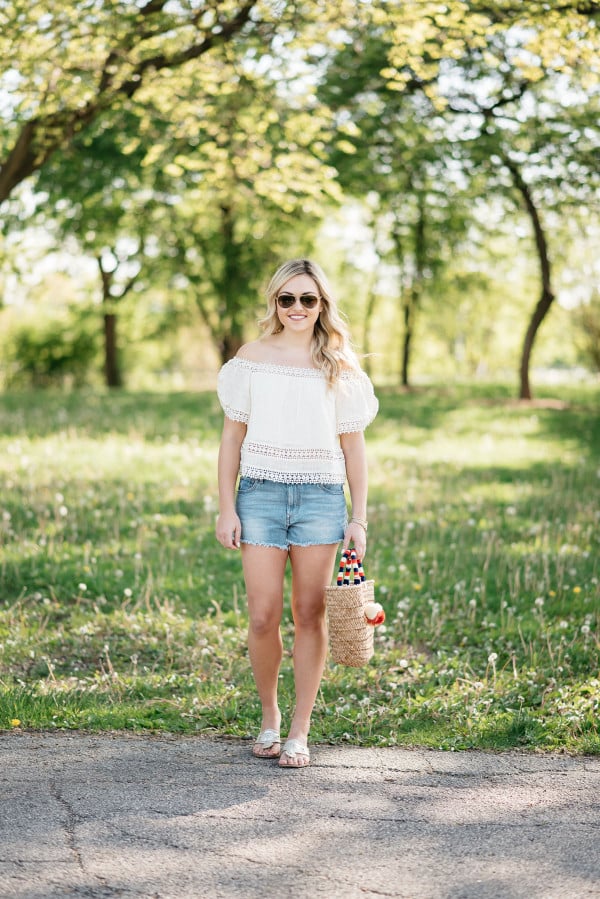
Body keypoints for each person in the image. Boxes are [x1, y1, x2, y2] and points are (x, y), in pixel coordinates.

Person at [215, 258, 378, 768]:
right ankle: (269, 717)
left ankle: (299, 732)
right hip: (259, 496)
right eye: (288, 299)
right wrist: (226, 507)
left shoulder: (339, 365)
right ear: (275, 303)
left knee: (309, 615)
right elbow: (231, 439)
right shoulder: (251, 358)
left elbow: (355, 449)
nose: (298, 308)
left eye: (308, 299)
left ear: (322, 303)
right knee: (263, 615)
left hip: (321, 499)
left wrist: (359, 517)